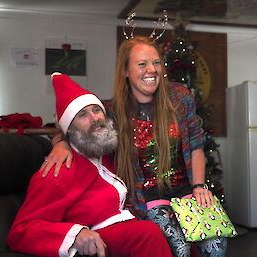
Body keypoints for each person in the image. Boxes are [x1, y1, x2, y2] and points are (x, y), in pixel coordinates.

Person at [40, 36, 227, 257]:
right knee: (179, 245)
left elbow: (196, 144)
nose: (152, 69)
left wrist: (199, 186)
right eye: (142, 64)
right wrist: (61, 144)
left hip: (185, 189)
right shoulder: (111, 111)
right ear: (126, 71)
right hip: (146, 196)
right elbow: (70, 128)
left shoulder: (180, 97)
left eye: (156, 62)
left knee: (216, 241)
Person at [7, 72, 173, 257]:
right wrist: (75, 234)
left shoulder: (107, 152)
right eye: (82, 115)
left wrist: (59, 140)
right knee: (146, 234)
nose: (94, 118)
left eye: (97, 110)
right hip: (96, 239)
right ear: (70, 129)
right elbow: (21, 231)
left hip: (125, 226)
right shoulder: (58, 171)